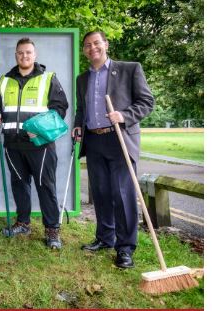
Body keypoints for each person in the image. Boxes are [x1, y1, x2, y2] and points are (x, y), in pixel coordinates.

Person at [73, 31, 154, 268]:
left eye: (96, 43)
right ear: (84, 50)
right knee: (101, 193)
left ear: (106, 45)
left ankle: (126, 247)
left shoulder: (130, 69)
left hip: (120, 139)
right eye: (87, 45)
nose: (92, 48)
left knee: (123, 194)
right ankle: (105, 238)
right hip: (94, 141)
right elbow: (81, 109)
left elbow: (147, 102)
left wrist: (124, 115)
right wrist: (78, 126)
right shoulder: (82, 79)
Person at [0, 37, 69, 249]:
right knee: (19, 184)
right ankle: (23, 223)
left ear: (34, 55)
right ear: (15, 55)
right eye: (20, 53)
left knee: (45, 186)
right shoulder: (4, 81)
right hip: (12, 144)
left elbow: (60, 108)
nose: (24, 56)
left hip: (39, 146)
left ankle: (52, 229)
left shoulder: (48, 78)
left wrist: (39, 130)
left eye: (28, 52)